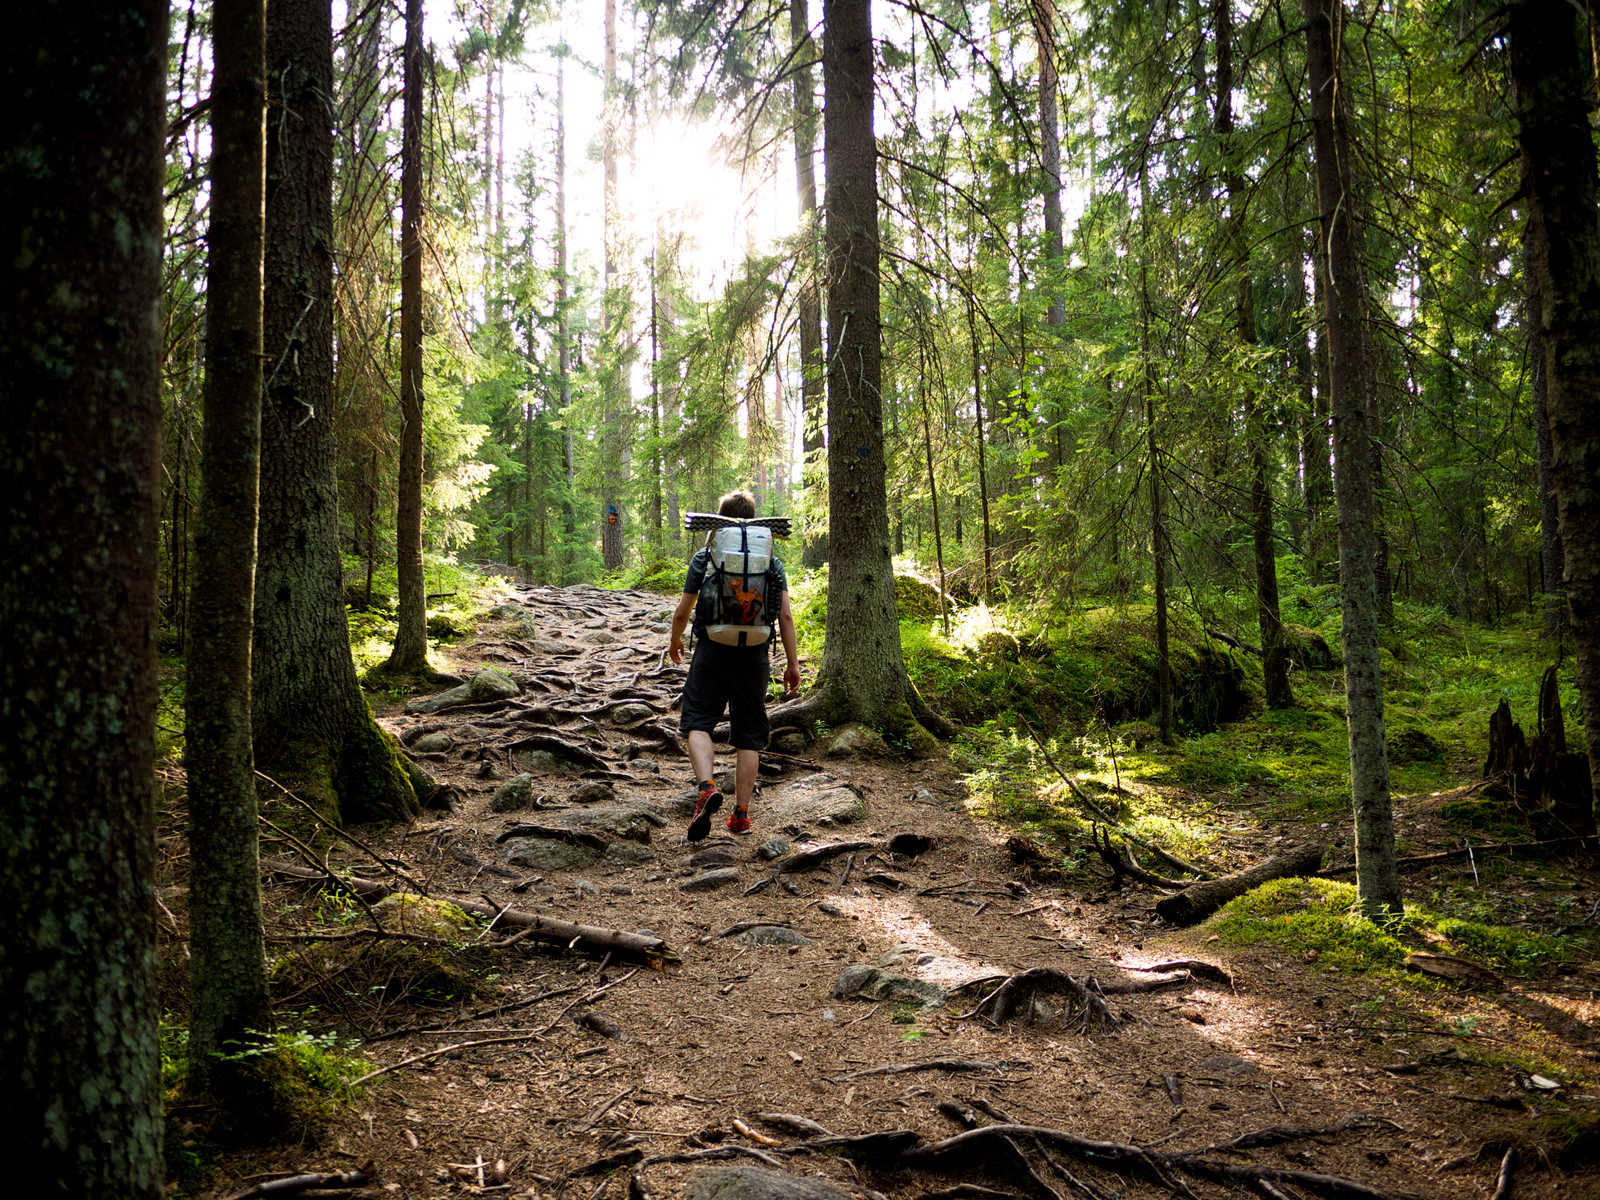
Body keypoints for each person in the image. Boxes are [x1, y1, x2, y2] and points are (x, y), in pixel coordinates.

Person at [668, 490, 801, 840]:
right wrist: (793, 663)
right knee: (749, 735)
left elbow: (683, 610)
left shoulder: (705, 558)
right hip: (755, 654)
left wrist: (675, 640)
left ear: (721, 519)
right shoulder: (771, 561)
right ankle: (741, 815)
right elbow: (785, 615)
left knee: (697, 720)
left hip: (712, 648)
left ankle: (707, 787)